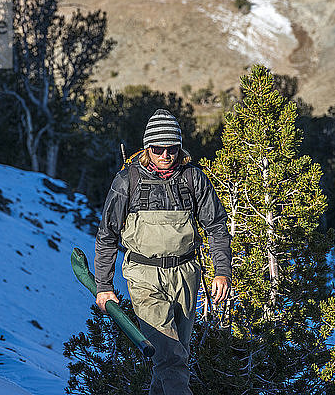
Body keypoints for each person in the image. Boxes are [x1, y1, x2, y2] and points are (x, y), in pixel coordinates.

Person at [94, 108, 232, 395]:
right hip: (144, 274)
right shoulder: (126, 181)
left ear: (180, 149)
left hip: (186, 272)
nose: (165, 155)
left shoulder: (194, 179)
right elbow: (107, 234)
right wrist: (104, 286)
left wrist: (222, 271)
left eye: (172, 149)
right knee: (170, 356)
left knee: (173, 355)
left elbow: (217, 225)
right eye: (158, 148)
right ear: (147, 148)